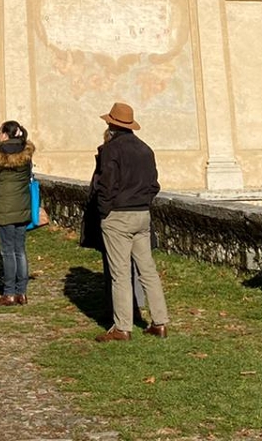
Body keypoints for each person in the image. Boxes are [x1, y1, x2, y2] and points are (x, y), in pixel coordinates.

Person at [92, 101, 169, 342]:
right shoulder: (146, 149)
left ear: (111, 126)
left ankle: (122, 327)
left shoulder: (110, 150)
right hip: (142, 214)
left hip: (118, 216)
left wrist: (105, 211)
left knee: (120, 273)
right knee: (148, 270)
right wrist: (142, 202)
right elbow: (154, 185)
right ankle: (160, 322)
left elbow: (106, 185)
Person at [0, 119, 34, 306]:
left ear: (5, 134)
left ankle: (9, 292)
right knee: (20, 250)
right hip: (23, 207)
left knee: (7, 251)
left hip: (4, 208)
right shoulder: (26, 154)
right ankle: (23, 292)